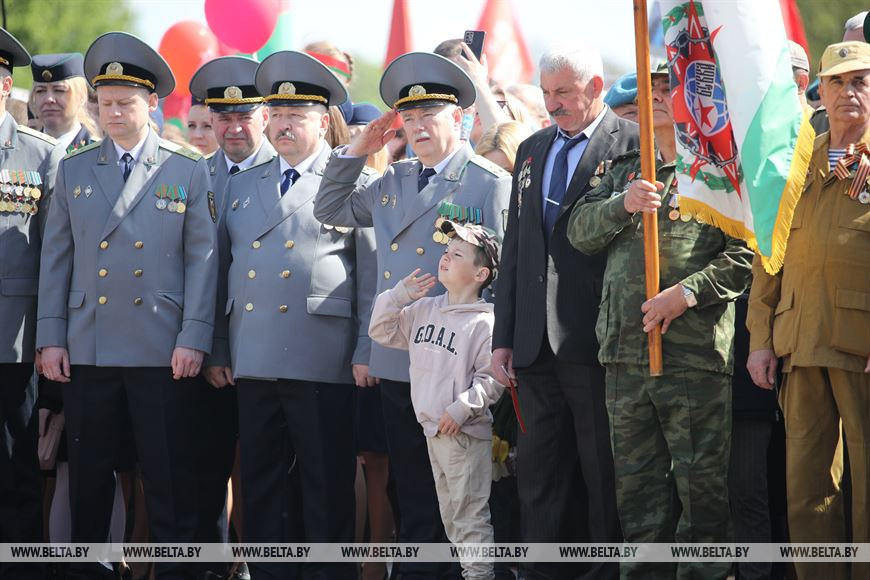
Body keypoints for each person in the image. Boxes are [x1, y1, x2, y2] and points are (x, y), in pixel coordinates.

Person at [315, 50, 511, 579]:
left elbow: (502, 277)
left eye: (430, 115)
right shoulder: (394, 179)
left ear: (460, 117)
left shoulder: (487, 182)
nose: (419, 127)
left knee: (456, 491)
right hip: (400, 358)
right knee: (407, 486)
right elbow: (329, 208)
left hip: (454, 365)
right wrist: (359, 149)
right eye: (410, 116)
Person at [37, 31, 216, 580]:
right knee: (89, 479)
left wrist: (194, 336)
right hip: (89, 344)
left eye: (124, 103)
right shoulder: (74, 168)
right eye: (104, 103)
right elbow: (56, 258)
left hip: (161, 347)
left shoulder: (186, 168)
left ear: (152, 103)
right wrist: (51, 336)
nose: (112, 113)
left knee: (167, 478)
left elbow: (203, 260)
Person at [567, 63, 753, 580]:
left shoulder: (718, 170)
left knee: (701, 492)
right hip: (625, 352)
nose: (654, 96)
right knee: (638, 495)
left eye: (668, 86)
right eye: (648, 88)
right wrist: (621, 205)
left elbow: (747, 254)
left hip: (692, 353)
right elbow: (579, 233)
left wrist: (686, 295)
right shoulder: (624, 169)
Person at [203, 50, 376, 580]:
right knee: (261, 483)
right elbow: (221, 270)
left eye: (295, 115)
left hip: (322, 356)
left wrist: (367, 349)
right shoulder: (241, 182)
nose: (282, 125)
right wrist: (219, 347)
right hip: (254, 354)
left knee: (325, 483)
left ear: (323, 122)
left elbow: (369, 277)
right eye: (275, 114)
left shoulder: (350, 182)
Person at [491, 44, 638, 580]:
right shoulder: (532, 148)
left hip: (596, 338)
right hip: (534, 345)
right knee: (538, 473)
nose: (553, 104)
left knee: (602, 470)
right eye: (546, 92)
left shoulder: (633, 143)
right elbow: (517, 247)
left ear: (596, 87)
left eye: (564, 93)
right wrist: (503, 337)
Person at [746, 41, 870, 580]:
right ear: (820, 90)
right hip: (799, 341)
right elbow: (767, 260)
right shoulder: (794, 164)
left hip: (860, 346)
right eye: (837, 82)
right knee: (806, 487)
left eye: (860, 81)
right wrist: (759, 339)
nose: (848, 92)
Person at [369, 221, 503, 580]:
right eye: (446, 251)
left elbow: (493, 379)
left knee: (470, 519)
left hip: (463, 434)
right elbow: (380, 331)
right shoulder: (423, 309)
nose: (446, 257)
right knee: (452, 519)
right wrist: (398, 296)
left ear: (481, 273)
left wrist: (461, 409)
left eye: (458, 254)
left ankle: (479, 575)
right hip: (432, 432)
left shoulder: (485, 322)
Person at [0, 27, 61, 580]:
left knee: (16, 470)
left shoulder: (39, 156)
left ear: (4, 87)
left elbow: (56, 256)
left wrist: (49, 338)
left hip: (13, 343)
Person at [189, 55, 276, 214]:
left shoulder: (284, 174)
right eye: (224, 118)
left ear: (265, 117)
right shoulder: (195, 176)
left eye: (244, 118)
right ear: (212, 119)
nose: (235, 129)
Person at [29, 53, 98, 153]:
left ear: (81, 95)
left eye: (59, 90)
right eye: (40, 91)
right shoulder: (23, 151)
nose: (49, 99)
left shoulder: (97, 153)